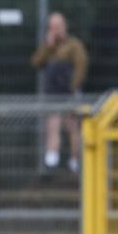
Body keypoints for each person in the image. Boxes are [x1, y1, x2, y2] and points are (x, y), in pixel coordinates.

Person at [30, 12, 89, 172]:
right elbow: (36, 63)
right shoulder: (48, 46)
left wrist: (73, 87)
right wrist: (48, 47)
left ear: (65, 26)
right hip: (52, 93)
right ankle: (52, 160)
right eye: (52, 26)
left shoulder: (74, 45)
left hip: (68, 92)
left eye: (58, 26)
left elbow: (81, 66)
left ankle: (75, 161)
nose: (55, 29)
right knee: (53, 124)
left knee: (72, 126)